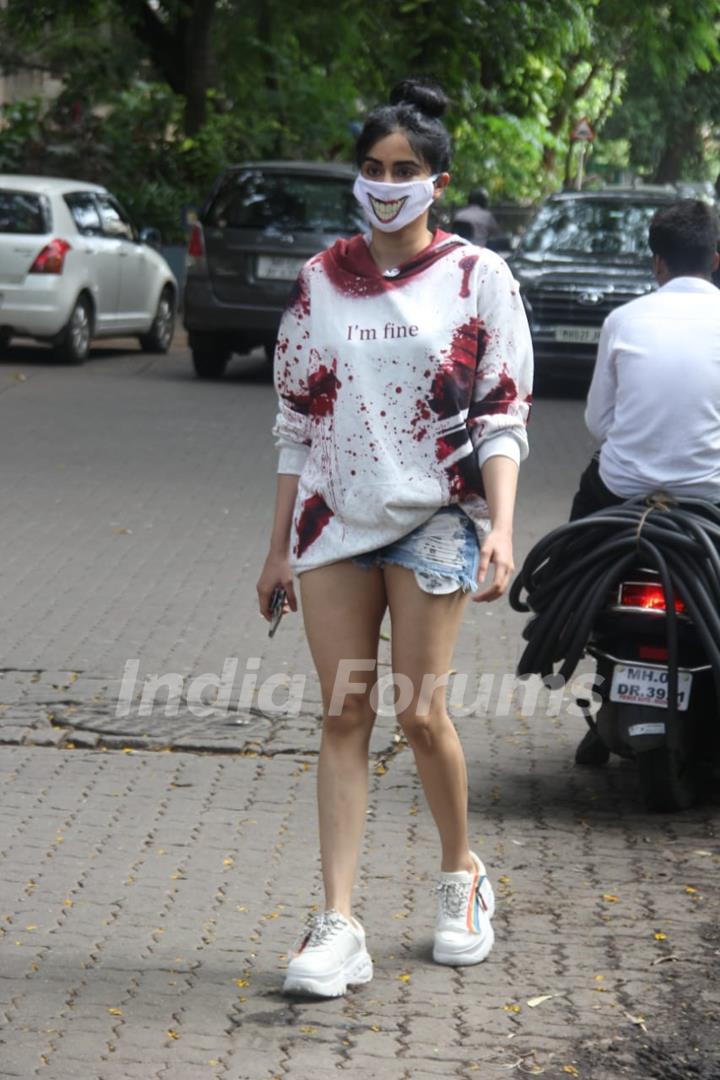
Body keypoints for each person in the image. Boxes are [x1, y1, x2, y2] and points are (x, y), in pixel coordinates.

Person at [256, 76, 533, 998]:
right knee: (343, 712)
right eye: (373, 167)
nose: (386, 182)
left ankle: (462, 876)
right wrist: (276, 546)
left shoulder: (477, 277)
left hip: (437, 522)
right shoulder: (320, 279)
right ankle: (339, 924)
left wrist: (501, 523)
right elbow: (297, 418)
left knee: (420, 714)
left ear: (436, 181)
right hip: (334, 520)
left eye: (404, 168)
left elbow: (500, 413)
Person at [570, 199, 720, 523]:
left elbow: (599, 422)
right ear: (715, 261)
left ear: (658, 264)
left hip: (621, 489)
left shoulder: (623, 320)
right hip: (710, 496)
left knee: (565, 562)